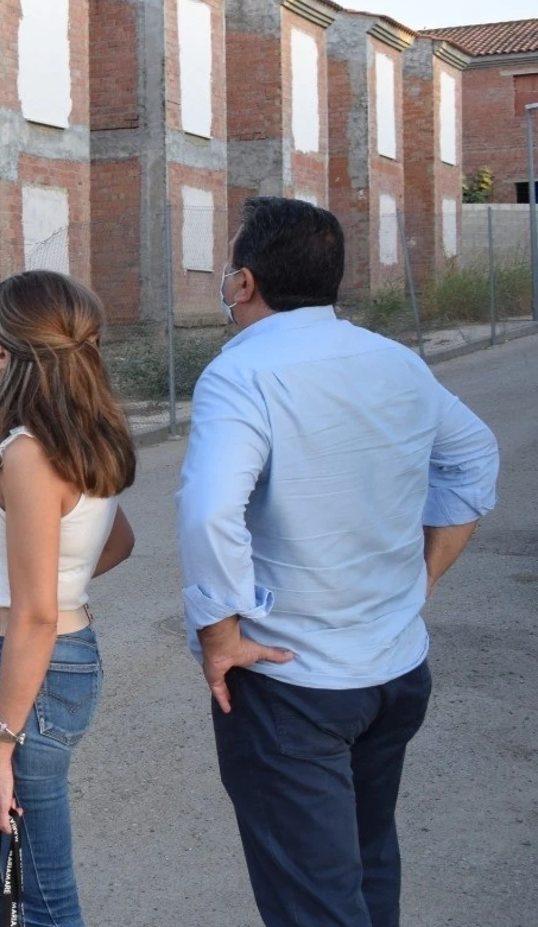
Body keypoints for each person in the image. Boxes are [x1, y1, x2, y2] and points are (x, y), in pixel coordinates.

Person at [178, 197, 499, 927]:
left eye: (230, 267)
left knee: (317, 902)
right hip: (393, 672)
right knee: (365, 865)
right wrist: (425, 575)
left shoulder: (241, 374)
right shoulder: (396, 362)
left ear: (243, 283)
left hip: (295, 685)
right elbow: (474, 454)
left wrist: (220, 633)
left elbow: (206, 510)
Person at [0, 269, 138, 927]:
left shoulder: (29, 453)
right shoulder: (74, 430)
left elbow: (38, 611)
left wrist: (1, 744)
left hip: (27, 669)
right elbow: (116, 539)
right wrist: (55, 581)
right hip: (36, 659)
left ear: (8, 352)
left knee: (40, 893)